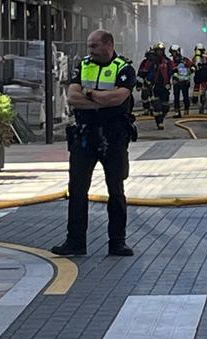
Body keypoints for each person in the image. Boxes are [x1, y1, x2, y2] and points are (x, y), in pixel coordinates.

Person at [51, 29, 138, 257]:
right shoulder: (83, 65)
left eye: (94, 46)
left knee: (116, 190)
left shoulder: (124, 68)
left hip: (114, 136)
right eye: (89, 46)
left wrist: (88, 95)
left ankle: (117, 242)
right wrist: (100, 100)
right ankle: (75, 241)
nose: (89, 50)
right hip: (85, 135)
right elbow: (72, 97)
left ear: (108, 45)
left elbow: (119, 99)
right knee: (77, 190)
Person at [143, 42, 172, 129]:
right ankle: (159, 122)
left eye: (161, 50)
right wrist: (142, 83)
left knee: (165, 106)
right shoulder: (150, 62)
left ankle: (161, 117)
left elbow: (173, 69)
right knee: (157, 106)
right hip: (154, 86)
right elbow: (144, 72)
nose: (160, 52)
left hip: (165, 86)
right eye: (158, 50)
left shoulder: (167, 61)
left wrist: (175, 78)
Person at [169, 44, 193, 117]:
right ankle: (177, 112)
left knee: (185, 96)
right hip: (176, 82)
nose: (173, 54)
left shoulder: (185, 60)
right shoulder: (171, 61)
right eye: (172, 52)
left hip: (184, 81)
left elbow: (193, 66)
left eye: (174, 52)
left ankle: (186, 110)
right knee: (176, 97)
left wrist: (191, 71)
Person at [192, 43, 207, 110]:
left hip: (198, 73)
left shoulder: (195, 57)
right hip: (204, 73)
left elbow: (193, 62)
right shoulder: (206, 56)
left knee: (196, 86)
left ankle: (195, 99)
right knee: (203, 87)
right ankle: (202, 98)